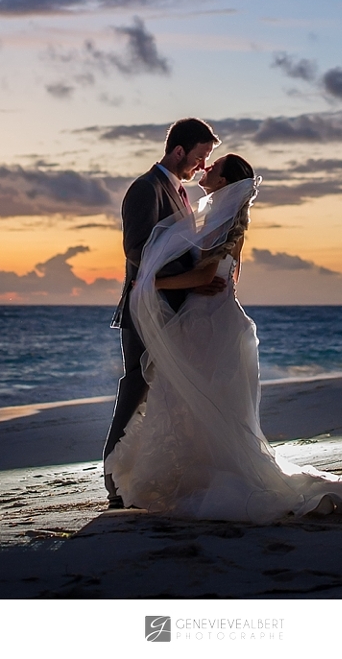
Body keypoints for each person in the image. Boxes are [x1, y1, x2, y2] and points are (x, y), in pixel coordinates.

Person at [105, 154, 342, 523]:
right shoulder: (221, 217)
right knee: (202, 403)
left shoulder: (221, 220)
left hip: (209, 323)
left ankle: (199, 476)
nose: (205, 170)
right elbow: (218, 276)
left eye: (213, 168)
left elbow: (204, 277)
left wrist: (153, 282)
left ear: (225, 182)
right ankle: (194, 471)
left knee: (196, 400)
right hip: (213, 318)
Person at [103, 117, 222, 508]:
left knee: (159, 390)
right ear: (178, 151)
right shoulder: (146, 188)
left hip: (171, 305)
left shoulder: (180, 192)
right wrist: (188, 278)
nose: (202, 166)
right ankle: (112, 479)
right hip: (145, 304)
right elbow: (136, 249)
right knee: (136, 384)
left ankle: (143, 473)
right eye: (200, 157)